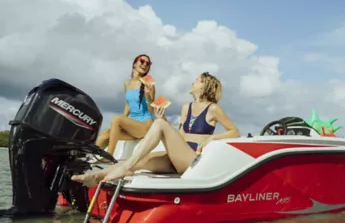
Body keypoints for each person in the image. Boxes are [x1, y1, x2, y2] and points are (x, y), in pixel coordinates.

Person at [72, 72, 240, 187]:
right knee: (139, 161)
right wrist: (164, 120)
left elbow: (234, 131)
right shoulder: (185, 108)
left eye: (197, 80)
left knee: (157, 125)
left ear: (205, 86)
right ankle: (96, 177)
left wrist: (211, 138)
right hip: (177, 157)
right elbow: (180, 136)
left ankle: (123, 169)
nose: (193, 81)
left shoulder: (213, 109)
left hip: (193, 161)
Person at [95, 54, 156, 158]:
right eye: (142, 61)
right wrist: (119, 124)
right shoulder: (126, 83)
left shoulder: (149, 83)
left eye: (148, 63)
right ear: (134, 64)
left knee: (116, 119)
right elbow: (128, 104)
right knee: (106, 133)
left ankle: (109, 156)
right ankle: (86, 158)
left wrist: (147, 95)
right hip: (132, 126)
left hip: (145, 126)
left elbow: (151, 110)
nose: (145, 64)